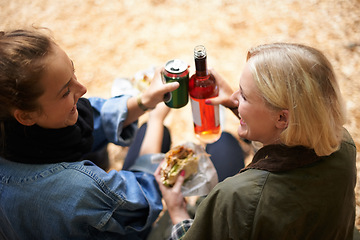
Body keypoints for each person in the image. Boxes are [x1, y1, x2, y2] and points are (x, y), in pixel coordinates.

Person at [154, 43, 357, 239]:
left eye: (243, 96)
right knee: (223, 141)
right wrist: (240, 109)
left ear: (282, 118)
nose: (234, 97)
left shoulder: (238, 198)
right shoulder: (344, 145)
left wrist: (177, 212)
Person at [0, 29, 179, 239]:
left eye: (73, 72)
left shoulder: (14, 129)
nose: (82, 89)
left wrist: (144, 101)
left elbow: (94, 116)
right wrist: (156, 120)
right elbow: (142, 201)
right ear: (27, 116)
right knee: (159, 134)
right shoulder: (77, 189)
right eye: (65, 91)